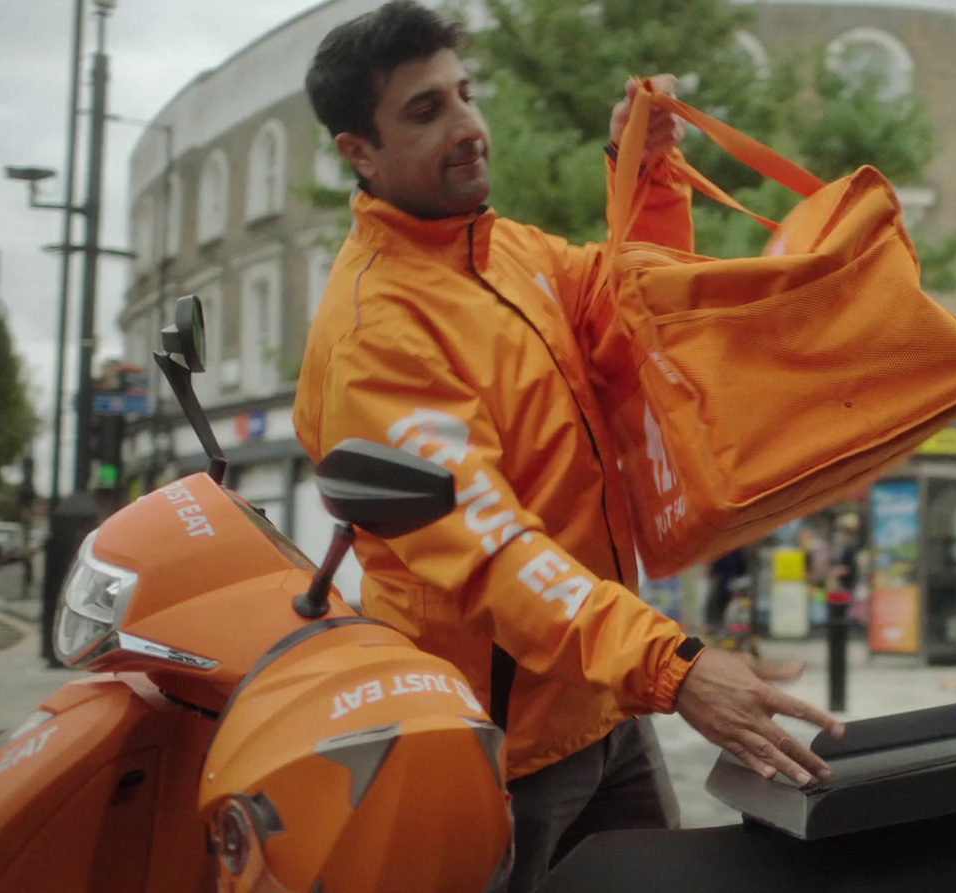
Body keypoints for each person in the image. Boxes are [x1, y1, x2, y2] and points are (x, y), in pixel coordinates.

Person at [293, 4, 842, 888]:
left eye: (465, 95)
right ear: (359, 150)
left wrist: (647, 169)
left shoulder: (510, 253)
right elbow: (494, 550)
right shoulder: (378, 333)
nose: (470, 127)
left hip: (604, 699)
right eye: (427, 111)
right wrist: (675, 666)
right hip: (501, 746)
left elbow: (638, 311)